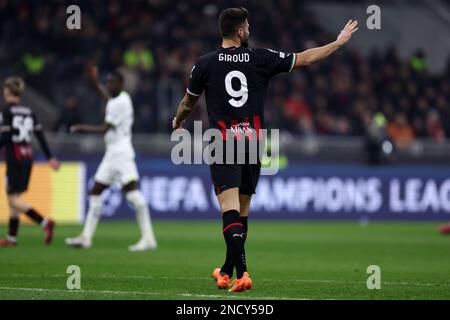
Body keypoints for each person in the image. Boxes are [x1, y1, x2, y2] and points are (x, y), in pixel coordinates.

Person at [172, 7, 358, 292]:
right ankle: (225, 271)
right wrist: (338, 42)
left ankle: (243, 273)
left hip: (223, 141)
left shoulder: (205, 64)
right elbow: (306, 59)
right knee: (242, 211)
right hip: (253, 141)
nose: (249, 30)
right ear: (238, 31)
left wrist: (178, 120)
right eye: (247, 26)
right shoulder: (261, 57)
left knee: (229, 210)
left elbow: (189, 102)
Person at [65, 67, 157, 251]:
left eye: (111, 82)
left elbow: (104, 129)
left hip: (121, 154)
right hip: (112, 154)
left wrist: (81, 129)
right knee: (95, 192)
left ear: (121, 84)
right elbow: (107, 99)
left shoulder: (119, 102)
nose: (109, 85)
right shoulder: (121, 99)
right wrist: (95, 83)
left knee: (133, 196)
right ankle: (86, 238)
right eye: (107, 82)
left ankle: (148, 238)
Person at [0, 76, 60, 247]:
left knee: (13, 199)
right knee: (14, 196)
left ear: (8, 91)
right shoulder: (29, 112)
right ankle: (12, 238)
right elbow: (40, 136)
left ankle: (44, 222)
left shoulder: (6, 111)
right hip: (27, 156)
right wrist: (50, 157)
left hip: (14, 156)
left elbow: (4, 137)